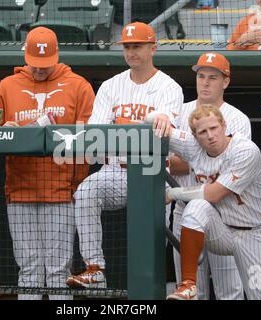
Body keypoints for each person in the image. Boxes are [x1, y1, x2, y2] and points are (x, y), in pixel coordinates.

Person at [66, 21, 183, 289]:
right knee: (85, 193)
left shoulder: (169, 87)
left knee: (149, 246)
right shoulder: (110, 86)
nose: (131, 52)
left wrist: (122, 131)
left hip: (152, 171)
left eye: (137, 46)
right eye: (127, 47)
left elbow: (163, 133)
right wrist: (137, 130)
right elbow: (97, 135)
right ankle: (94, 268)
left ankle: (150, 290)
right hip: (115, 170)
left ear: (153, 48)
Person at [0, 27, 95, 300]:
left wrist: (74, 184)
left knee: (58, 270)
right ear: (25, 56)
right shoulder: (8, 85)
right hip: (20, 191)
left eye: (46, 64)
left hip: (60, 191)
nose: (40, 69)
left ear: (57, 55)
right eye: (35, 64)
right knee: (29, 269)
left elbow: (92, 140)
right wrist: (4, 129)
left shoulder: (78, 85)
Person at [162, 104, 261, 300]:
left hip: (253, 234)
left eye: (214, 128)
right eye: (203, 132)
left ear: (224, 126)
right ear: (195, 135)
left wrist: (174, 193)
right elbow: (160, 129)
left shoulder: (245, 150)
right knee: (197, 206)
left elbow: (214, 193)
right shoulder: (194, 145)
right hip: (221, 231)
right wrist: (159, 116)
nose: (210, 135)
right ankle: (188, 284)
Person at [170, 52, 250, 299]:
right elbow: (168, 163)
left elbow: (227, 169)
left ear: (225, 82)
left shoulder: (237, 119)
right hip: (184, 210)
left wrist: (191, 160)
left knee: (230, 291)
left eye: (213, 77)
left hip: (222, 215)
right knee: (190, 290)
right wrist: (201, 159)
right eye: (201, 76)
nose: (205, 82)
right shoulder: (178, 112)